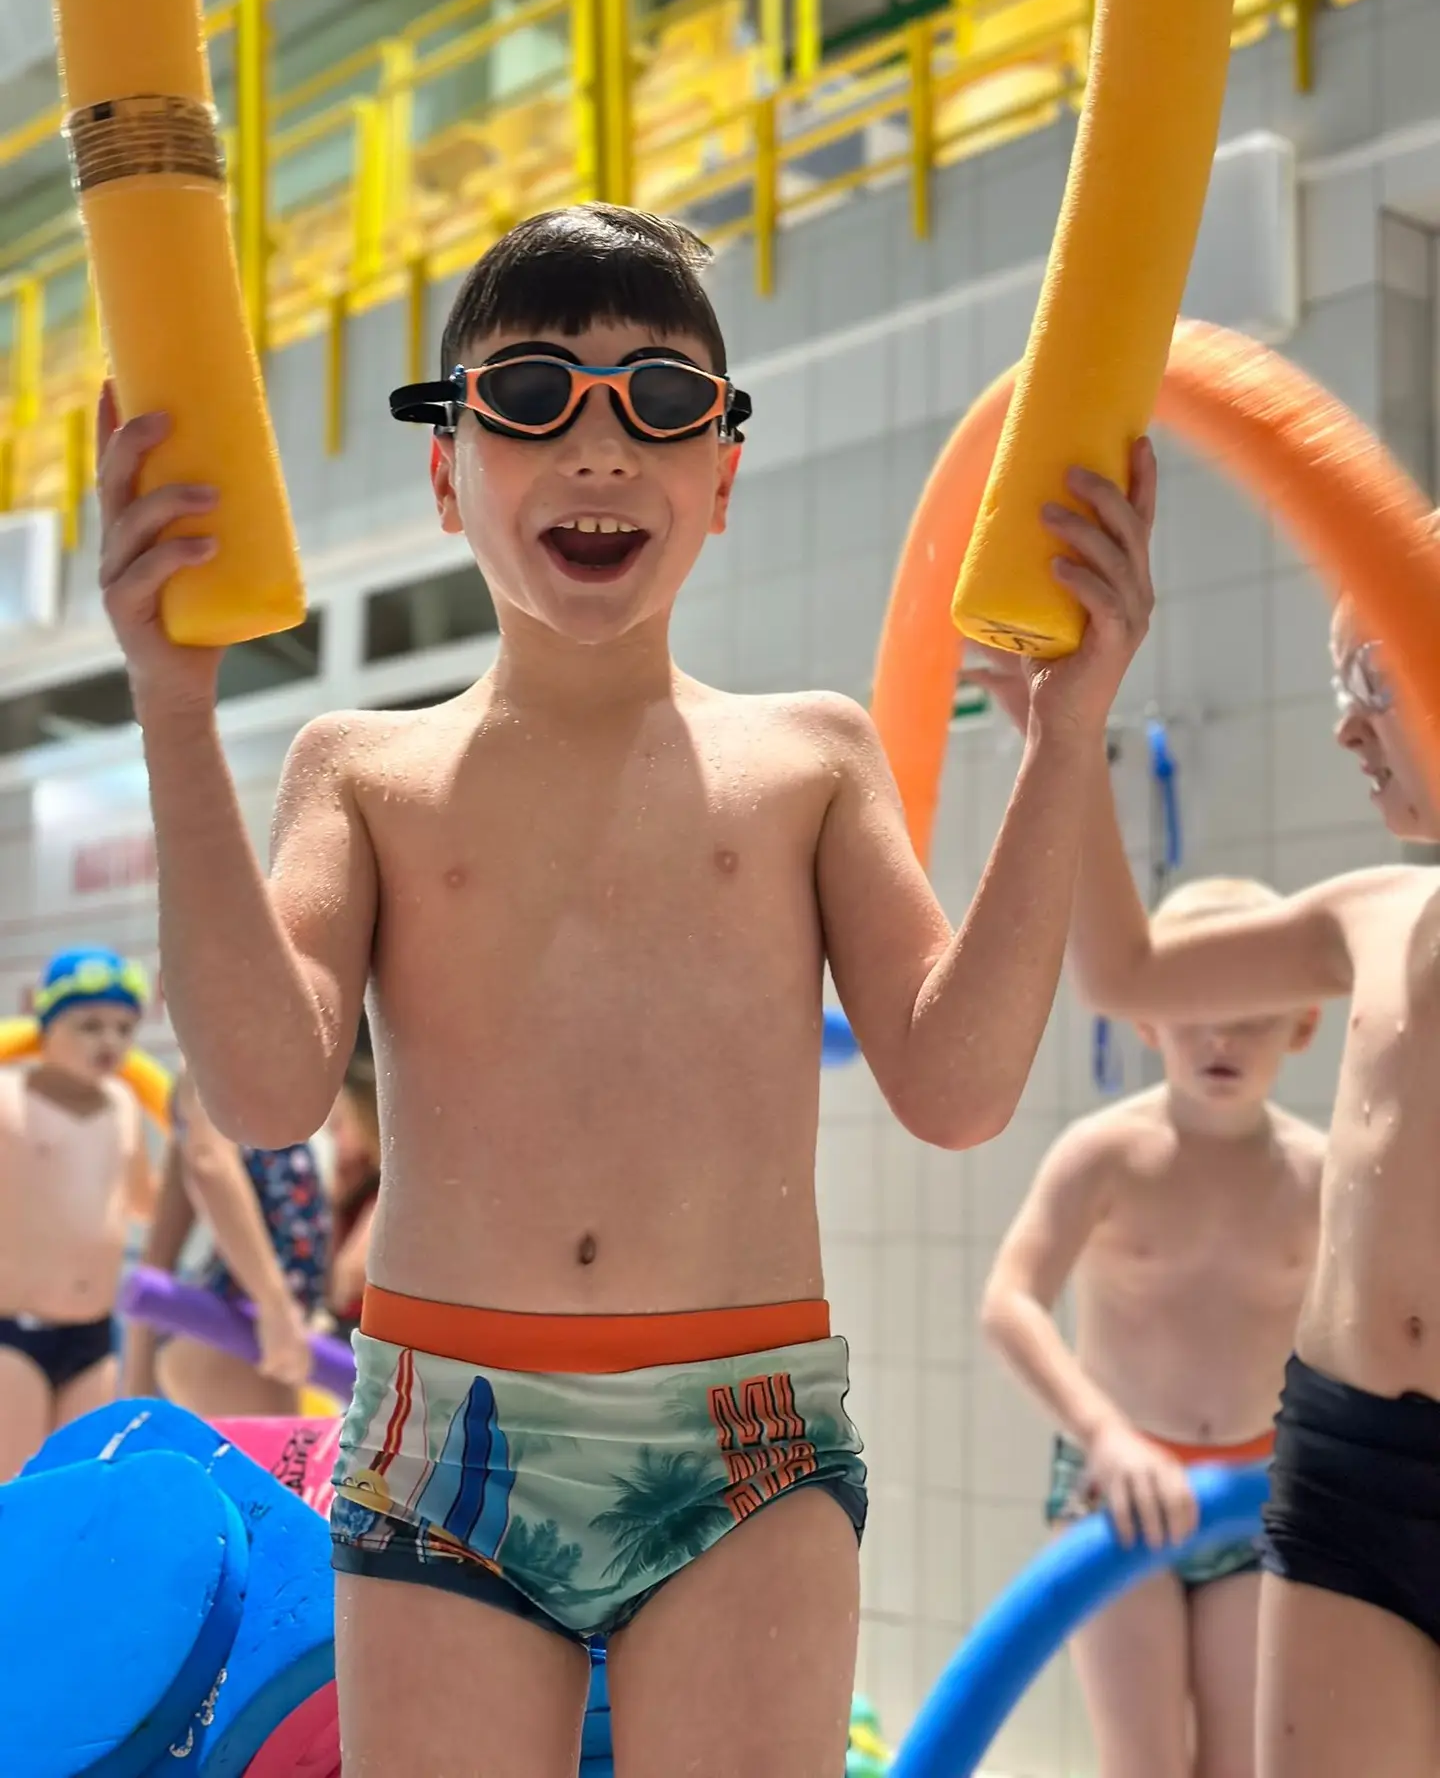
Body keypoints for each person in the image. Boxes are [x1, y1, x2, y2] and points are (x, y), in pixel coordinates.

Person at [97, 202, 1155, 1778]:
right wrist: (175, 712)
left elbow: (958, 1086)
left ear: (722, 474)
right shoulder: (365, 771)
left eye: (662, 400)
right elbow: (264, 1090)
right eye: (530, 396)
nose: (600, 447)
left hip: (746, 1433)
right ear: (447, 468)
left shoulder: (809, 759)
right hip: (446, 1429)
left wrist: (1065, 740)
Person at [973, 505, 1440, 1778]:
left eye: (1373, 677)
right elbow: (1124, 971)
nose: (1345, 726)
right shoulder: (1373, 913)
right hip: (1345, 1464)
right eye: (1338, 688)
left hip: (1263, 1470)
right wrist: (1064, 731)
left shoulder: (1297, 1157)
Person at [982, 873, 1326, 1778]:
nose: (1220, 1038)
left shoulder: (1319, 1176)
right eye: (1194, 1010)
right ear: (1145, 1017)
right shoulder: (1107, 1154)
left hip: (1254, 1492)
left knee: (1242, 1765)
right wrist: (1104, 1435)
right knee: (1144, 1764)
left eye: (1251, 1014)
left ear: (1302, 1024)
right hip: (1116, 1484)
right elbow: (1010, 1301)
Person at [0, 948, 156, 1476]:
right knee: (16, 1486)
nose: (109, 1041)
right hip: (14, 1332)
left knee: (83, 1480)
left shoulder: (124, 1105)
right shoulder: (8, 1097)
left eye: (124, 1028)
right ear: (45, 1024)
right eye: (89, 1025)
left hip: (93, 1335)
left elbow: (142, 1203)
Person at [155, 1069, 326, 1418]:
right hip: (235, 1321)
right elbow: (209, 1163)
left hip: (261, 1323)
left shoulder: (274, 1092)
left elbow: (162, 1243)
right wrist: (275, 1305)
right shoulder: (212, 1072)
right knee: (261, 1453)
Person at [326, 1054, 381, 1340]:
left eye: (337, 1126)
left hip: (358, 1337)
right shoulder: (350, 1195)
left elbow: (344, 1283)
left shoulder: (384, 1194)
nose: (329, 1138)